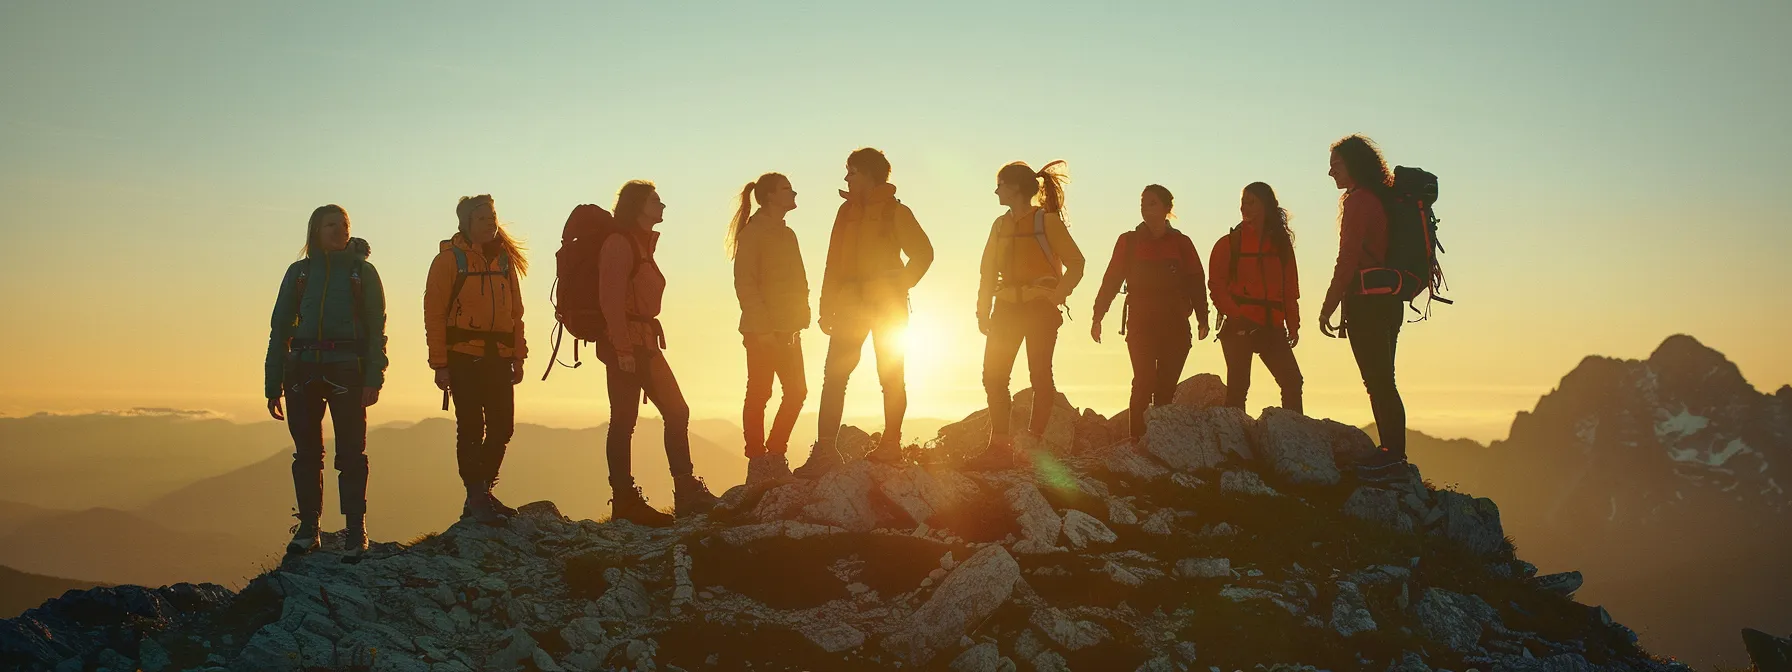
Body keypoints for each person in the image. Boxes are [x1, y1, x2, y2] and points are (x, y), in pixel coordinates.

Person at [794, 148, 934, 478]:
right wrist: (826, 306)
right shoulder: (846, 212)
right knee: (835, 377)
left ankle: (890, 446)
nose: (846, 178)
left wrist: (901, 285)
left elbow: (924, 254)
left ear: (870, 175)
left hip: (887, 308)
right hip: (849, 307)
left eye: (851, 172)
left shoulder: (896, 212)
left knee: (890, 378)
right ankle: (826, 451)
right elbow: (832, 261)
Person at [263, 204, 388, 555]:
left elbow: (377, 330)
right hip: (301, 369)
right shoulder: (299, 273)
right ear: (315, 232)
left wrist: (373, 377)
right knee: (306, 455)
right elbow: (280, 328)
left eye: (343, 224)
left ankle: (354, 529)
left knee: (351, 452)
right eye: (329, 224)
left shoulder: (362, 273)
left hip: (347, 368)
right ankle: (309, 528)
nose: (338, 230)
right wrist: (274, 384)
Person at [600, 180, 718, 525]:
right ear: (638, 206)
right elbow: (610, 301)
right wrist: (622, 348)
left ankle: (683, 491)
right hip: (627, 343)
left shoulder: (639, 243)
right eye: (655, 200)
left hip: (644, 341)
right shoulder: (620, 244)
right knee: (625, 421)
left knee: (673, 412)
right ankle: (627, 500)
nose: (663, 205)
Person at [967, 161, 1085, 468]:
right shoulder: (1000, 226)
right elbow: (987, 271)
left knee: (1039, 375)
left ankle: (1031, 441)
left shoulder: (1047, 222)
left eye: (1000, 184)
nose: (996, 190)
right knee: (993, 376)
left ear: (1015, 188)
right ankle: (1000, 446)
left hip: (1038, 308)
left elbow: (1077, 263)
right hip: (1006, 307)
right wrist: (983, 310)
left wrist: (1055, 297)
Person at [425, 194, 528, 525]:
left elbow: (516, 313)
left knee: (503, 428)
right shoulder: (448, 262)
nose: (490, 221)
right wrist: (440, 363)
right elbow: (434, 314)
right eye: (482, 217)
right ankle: (477, 496)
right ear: (465, 223)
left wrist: (518, 355)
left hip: (498, 357)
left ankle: (480, 494)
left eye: (492, 216)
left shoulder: (503, 262)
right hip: (462, 357)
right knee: (470, 427)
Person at [1319, 134, 1408, 479]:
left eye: (1336, 165)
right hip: (1388, 301)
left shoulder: (1358, 202)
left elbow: (1348, 260)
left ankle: (1391, 457)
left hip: (1366, 304)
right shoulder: (1380, 199)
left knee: (1378, 381)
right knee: (1385, 379)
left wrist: (1328, 306)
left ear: (1354, 165)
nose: (1330, 173)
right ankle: (1392, 453)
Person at [1091, 185, 1210, 439]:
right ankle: (1136, 442)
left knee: (1166, 388)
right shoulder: (1129, 241)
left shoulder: (1182, 243)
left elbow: (1196, 281)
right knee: (1143, 381)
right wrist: (1098, 315)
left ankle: (1159, 443)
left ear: (1167, 208)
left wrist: (1203, 317)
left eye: (1152, 202)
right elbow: (1111, 280)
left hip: (1175, 324)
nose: (1145, 207)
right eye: (1143, 202)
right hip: (1140, 323)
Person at [728, 173, 810, 486]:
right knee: (760, 393)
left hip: (788, 330)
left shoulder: (787, 234)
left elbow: (798, 280)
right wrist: (762, 328)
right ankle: (758, 461)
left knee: (797, 392)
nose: (793, 192)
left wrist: (800, 318)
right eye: (787, 188)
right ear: (771, 196)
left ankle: (775, 453)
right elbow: (745, 283)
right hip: (762, 331)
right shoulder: (753, 233)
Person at [1209, 182, 1303, 414]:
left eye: (1251, 202)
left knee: (1292, 382)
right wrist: (1236, 315)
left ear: (1266, 206)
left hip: (1272, 325)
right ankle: (1233, 446)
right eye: (1243, 202)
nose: (1245, 208)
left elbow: (1290, 288)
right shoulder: (1230, 243)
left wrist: (1293, 324)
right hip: (1239, 325)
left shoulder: (1280, 245)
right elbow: (1216, 286)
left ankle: (1296, 438)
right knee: (1238, 389)